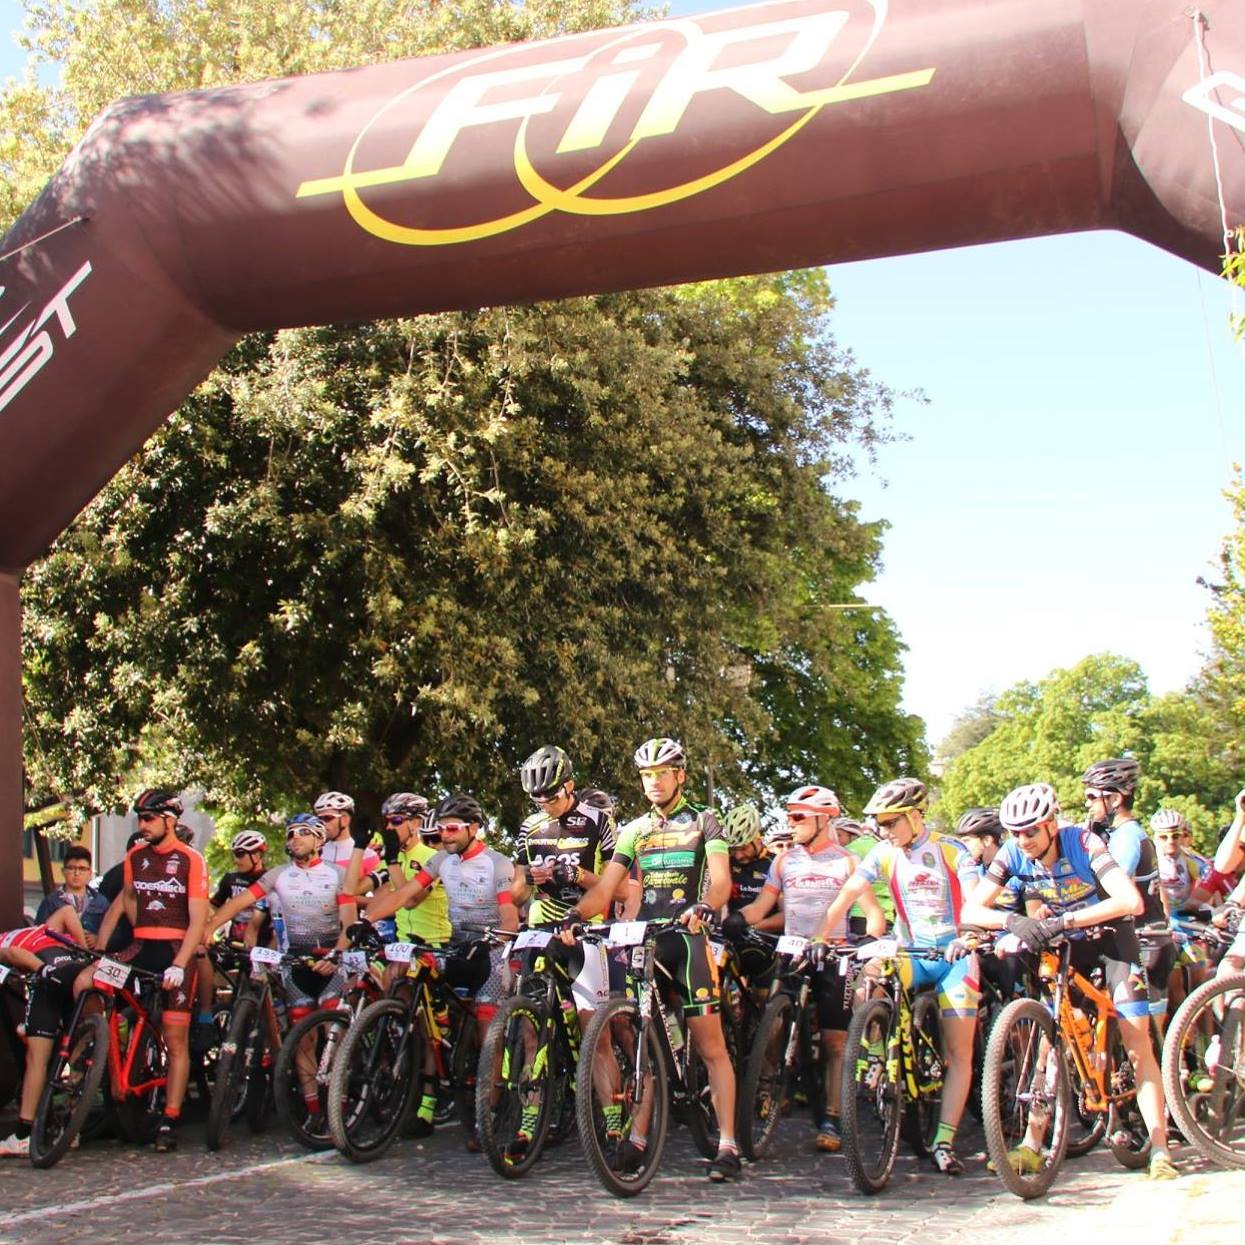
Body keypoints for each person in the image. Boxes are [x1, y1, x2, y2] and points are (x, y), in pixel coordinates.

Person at [960, 781, 1178, 1181]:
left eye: (1030, 831)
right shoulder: (1011, 854)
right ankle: (1031, 1143)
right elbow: (971, 909)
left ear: (1051, 824)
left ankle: (1160, 1147)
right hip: (1064, 942)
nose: (1022, 840)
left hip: (1111, 940)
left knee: (1135, 1040)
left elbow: (1130, 901)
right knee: (1048, 1040)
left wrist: (1068, 919)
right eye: (1014, 833)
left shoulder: (1083, 842)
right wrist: (1014, 921)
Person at [563, 737, 741, 1181]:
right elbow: (606, 888)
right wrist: (575, 914)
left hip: (688, 940)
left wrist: (706, 906)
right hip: (645, 938)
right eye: (646, 775)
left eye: (662, 773)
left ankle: (727, 1144)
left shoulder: (704, 821)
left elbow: (721, 883)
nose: (654, 782)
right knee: (647, 1040)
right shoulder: (634, 829)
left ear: (680, 775)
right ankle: (638, 1138)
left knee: (710, 1046)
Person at [811, 776, 978, 1176]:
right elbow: (847, 894)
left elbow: (975, 899)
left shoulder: (951, 850)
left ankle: (943, 1141)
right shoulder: (884, 853)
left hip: (954, 953)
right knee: (871, 971)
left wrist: (971, 935)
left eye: (890, 823)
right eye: (880, 825)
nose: (883, 831)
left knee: (959, 1053)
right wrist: (820, 935)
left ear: (916, 816)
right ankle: (877, 1048)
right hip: (912, 948)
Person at [360, 792, 518, 1151]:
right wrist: (367, 920)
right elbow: (406, 895)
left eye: (451, 829)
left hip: (490, 953)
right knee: (413, 984)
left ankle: (488, 1118)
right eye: (441, 829)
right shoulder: (441, 861)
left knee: (485, 1028)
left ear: (474, 828)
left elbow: (509, 915)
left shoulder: (497, 863)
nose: (444, 835)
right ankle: (436, 1060)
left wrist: (497, 939)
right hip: (456, 946)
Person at [731, 784, 883, 1154]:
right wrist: (737, 920)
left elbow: (874, 914)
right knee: (774, 1024)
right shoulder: (785, 861)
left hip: (834, 955)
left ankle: (831, 1115)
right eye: (789, 815)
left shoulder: (847, 861)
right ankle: (768, 1091)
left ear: (823, 819)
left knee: (834, 1041)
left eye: (798, 816)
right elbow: (762, 907)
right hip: (794, 951)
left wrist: (869, 942)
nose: (791, 823)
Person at [204, 813, 358, 1130]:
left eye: (303, 833)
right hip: (295, 964)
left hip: (330, 961)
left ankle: (339, 1105)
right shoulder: (278, 875)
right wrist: (211, 927)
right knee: (303, 1039)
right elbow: (239, 904)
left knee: (335, 1035)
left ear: (319, 839)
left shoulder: (337, 875)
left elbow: (350, 923)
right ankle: (314, 1107)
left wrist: (338, 953)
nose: (295, 838)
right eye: (290, 834)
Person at [85, 789, 209, 1152]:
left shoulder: (191, 860)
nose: (142, 825)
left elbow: (199, 918)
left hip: (174, 950)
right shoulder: (135, 856)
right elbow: (126, 901)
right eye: (139, 818)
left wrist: (180, 963)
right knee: (88, 982)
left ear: (170, 820)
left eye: (149, 818)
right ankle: (93, 1062)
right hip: (140, 947)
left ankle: (170, 1116)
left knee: (175, 1036)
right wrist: (105, 950)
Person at [1082, 758, 1174, 1033]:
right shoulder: (1121, 834)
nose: (1087, 804)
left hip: (1144, 942)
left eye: (1091, 796)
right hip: (1148, 937)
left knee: (1143, 1044)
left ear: (1113, 798)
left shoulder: (1127, 836)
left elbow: (1111, 890)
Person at [0, 906, 89, 1157]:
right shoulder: (44, 930)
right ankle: (70, 1130)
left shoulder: (9, 940)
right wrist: (86, 952)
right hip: (79, 968)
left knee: (36, 1058)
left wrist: (42, 970)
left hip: (48, 974)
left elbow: (13, 954)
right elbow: (69, 912)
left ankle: (23, 1136)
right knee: (78, 1050)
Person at [34, 845, 95, 924]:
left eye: (82, 869)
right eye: (71, 868)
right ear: (63, 871)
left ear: (89, 873)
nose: (76, 873)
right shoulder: (50, 902)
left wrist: (97, 936)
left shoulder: (100, 903)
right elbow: (39, 932)